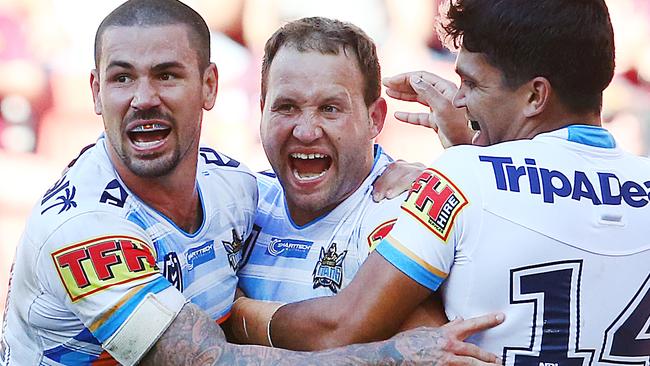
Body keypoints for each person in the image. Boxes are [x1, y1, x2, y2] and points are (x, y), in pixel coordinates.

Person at [0, 0, 505, 365]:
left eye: (167, 75)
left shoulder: (241, 192)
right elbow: (204, 360)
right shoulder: (85, 227)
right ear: (95, 90)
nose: (144, 98)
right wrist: (389, 356)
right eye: (122, 77)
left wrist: (459, 162)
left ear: (210, 86)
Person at [233, 0, 650, 362]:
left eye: (471, 83)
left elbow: (340, 328)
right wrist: (465, 146)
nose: (459, 99)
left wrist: (224, 311)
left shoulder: (464, 175)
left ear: (535, 96)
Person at [231, 16, 450, 343]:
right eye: (286, 107)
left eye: (330, 109)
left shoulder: (402, 212)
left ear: (374, 119)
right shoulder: (237, 206)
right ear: (260, 112)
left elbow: (424, 348)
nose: (305, 131)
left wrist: (233, 312)